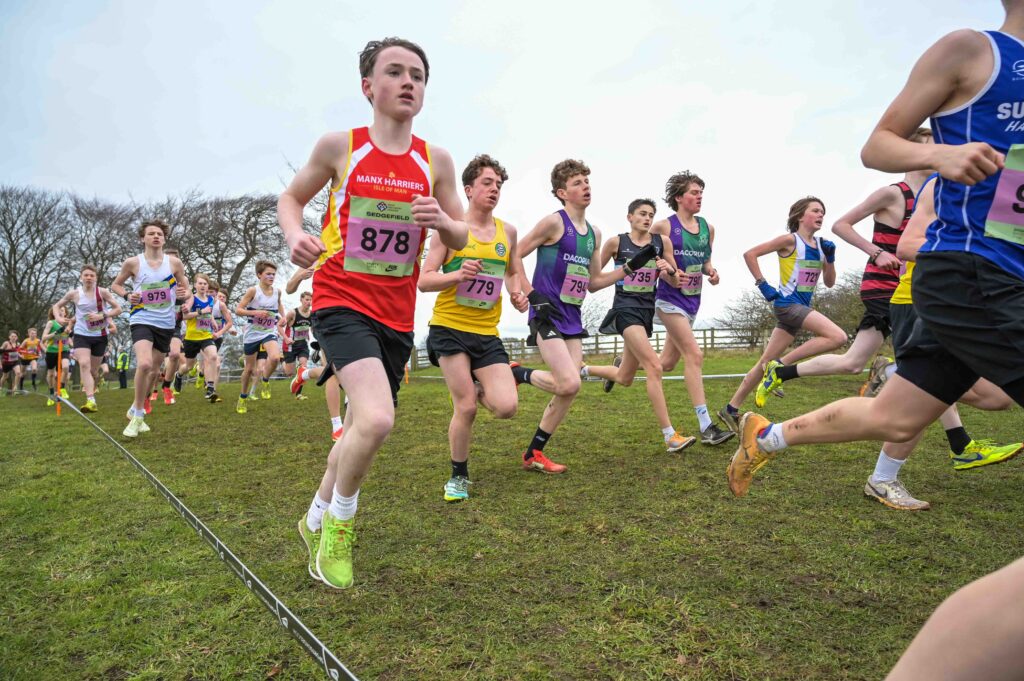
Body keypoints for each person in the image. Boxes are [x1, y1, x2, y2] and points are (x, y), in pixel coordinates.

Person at [726, 4, 1024, 497]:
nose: (818, 217)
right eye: (813, 212)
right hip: (969, 274)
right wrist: (940, 155)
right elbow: (875, 151)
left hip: (987, 280)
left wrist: (826, 264)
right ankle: (785, 376)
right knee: (847, 354)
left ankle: (767, 436)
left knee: (895, 415)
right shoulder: (974, 51)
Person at [279, 38, 469, 589]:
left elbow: (460, 233)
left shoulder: (436, 160)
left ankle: (313, 517)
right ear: (368, 86)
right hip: (340, 298)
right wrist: (295, 236)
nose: (409, 82)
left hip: (395, 314)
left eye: (418, 75)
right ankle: (340, 525)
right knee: (379, 419)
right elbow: (291, 200)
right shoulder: (340, 146)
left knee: (362, 425)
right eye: (395, 72)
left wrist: (442, 222)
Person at [860, 175, 1021, 509]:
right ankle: (883, 478)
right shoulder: (940, 186)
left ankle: (896, 377)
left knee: (997, 397)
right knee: (924, 393)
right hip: (920, 301)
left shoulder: (996, 192)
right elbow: (906, 246)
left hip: (963, 302)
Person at [756, 130, 934, 404]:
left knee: (853, 362)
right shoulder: (893, 193)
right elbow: (841, 225)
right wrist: (876, 253)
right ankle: (954, 434)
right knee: (924, 361)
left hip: (912, 287)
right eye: (934, 146)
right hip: (884, 287)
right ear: (912, 154)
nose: (940, 153)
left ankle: (781, 371)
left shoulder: (931, 198)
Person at [510, 159, 636, 473]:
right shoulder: (554, 223)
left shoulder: (594, 233)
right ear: (562, 192)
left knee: (571, 385)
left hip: (572, 316)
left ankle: (534, 453)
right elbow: (513, 253)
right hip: (546, 312)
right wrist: (530, 293)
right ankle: (517, 374)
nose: (585, 186)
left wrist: (627, 269)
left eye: (587, 181)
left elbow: (593, 282)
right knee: (568, 382)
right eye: (577, 183)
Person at [419, 154, 528, 501]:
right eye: (487, 183)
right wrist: (457, 275)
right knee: (465, 407)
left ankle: (478, 383)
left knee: (507, 407)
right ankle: (458, 477)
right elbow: (424, 280)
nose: (494, 189)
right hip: (449, 327)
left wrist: (516, 293)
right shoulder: (450, 230)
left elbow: (512, 271)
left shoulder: (508, 232)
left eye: (499, 185)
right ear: (468, 189)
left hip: (486, 331)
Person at [717, 197, 844, 430]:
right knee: (838, 337)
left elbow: (829, 282)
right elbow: (750, 254)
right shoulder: (790, 240)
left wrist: (831, 259)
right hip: (787, 305)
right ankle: (780, 367)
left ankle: (730, 409)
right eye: (816, 210)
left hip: (799, 307)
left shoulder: (822, 246)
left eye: (823, 212)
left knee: (763, 362)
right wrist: (762, 284)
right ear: (800, 216)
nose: (821, 215)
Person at [580, 198, 696, 452]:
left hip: (646, 312)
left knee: (625, 377)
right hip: (625, 309)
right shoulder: (616, 243)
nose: (647, 218)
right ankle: (670, 436)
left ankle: (585, 370)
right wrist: (625, 270)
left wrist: (669, 271)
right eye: (642, 214)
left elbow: (676, 281)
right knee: (654, 365)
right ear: (630, 217)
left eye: (651, 215)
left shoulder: (661, 243)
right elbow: (594, 281)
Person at [648, 171, 733, 445]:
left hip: (693, 301)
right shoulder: (663, 227)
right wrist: (668, 275)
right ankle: (707, 426)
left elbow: (705, 262)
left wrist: (712, 272)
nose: (699, 197)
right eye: (694, 193)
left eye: (701, 193)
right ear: (679, 197)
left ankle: (624, 364)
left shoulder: (708, 228)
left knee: (666, 364)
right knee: (694, 355)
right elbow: (648, 262)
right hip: (668, 300)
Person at [111, 219, 189, 437]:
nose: (156, 236)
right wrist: (127, 295)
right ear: (142, 238)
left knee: (154, 371)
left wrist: (184, 294)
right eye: (151, 233)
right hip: (142, 318)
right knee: (144, 364)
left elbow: (186, 289)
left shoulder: (174, 263)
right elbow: (116, 285)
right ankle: (138, 414)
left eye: (159, 234)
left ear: (164, 239)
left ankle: (136, 408)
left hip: (166, 322)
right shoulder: (133, 263)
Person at [51, 264, 123, 412]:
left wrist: (101, 315)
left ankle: (93, 387)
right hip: (81, 334)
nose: (89, 278)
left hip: (100, 336)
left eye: (92, 275)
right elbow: (56, 306)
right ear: (81, 277)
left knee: (93, 372)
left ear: (96, 278)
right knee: (84, 364)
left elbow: (118, 309)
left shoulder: (102, 292)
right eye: (86, 275)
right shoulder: (74, 294)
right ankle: (91, 400)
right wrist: (58, 317)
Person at [234, 261, 286, 412]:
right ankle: (243, 397)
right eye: (268, 274)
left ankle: (265, 379)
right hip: (252, 333)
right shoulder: (253, 291)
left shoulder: (277, 292)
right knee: (249, 369)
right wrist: (255, 312)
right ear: (259, 275)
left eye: (273, 274)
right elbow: (238, 310)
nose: (271, 277)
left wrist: (283, 317)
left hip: (269, 331)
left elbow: (279, 304)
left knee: (275, 358)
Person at [178, 273, 224, 403]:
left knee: (213, 357)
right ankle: (178, 374)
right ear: (195, 285)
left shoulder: (210, 299)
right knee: (189, 366)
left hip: (206, 336)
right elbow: (184, 316)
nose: (203, 286)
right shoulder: (192, 298)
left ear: (207, 286)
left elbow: (209, 312)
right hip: (191, 337)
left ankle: (210, 388)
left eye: (205, 284)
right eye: (200, 283)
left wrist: (213, 321)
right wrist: (201, 312)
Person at [41, 309, 72, 405]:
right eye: (58, 310)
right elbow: (43, 338)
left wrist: (71, 334)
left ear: (65, 313)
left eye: (62, 310)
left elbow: (69, 338)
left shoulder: (68, 323)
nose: (60, 312)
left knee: (66, 367)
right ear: (54, 313)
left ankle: (62, 388)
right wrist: (56, 332)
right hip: (52, 351)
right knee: (51, 374)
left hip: (64, 349)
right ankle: (51, 393)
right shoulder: (51, 323)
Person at [17, 327, 41, 392]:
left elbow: (38, 348)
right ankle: (21, 387)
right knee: (23, 373)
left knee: (34, 369)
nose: (33, 335)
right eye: (32, 333)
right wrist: (24, 353)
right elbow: (19, 350)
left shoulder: (38, 340)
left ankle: (33, 383)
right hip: (25, 358)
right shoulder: (26, 341)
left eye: (35, 333)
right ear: (29, 334)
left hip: (33, 357)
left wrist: (39, 353)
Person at [1, 331, 21, 395]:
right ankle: (1, 387)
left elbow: (18, 352)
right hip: (6, 362)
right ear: (9, 337)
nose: (13, 338)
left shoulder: (18, 344)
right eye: (12, 336)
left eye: (15, 336)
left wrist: (21, 355)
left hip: (15, 362)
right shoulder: (6, 343)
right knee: (5, 376)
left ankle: (15, 387)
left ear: (17, 337)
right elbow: (1, 349)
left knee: (18, 373)